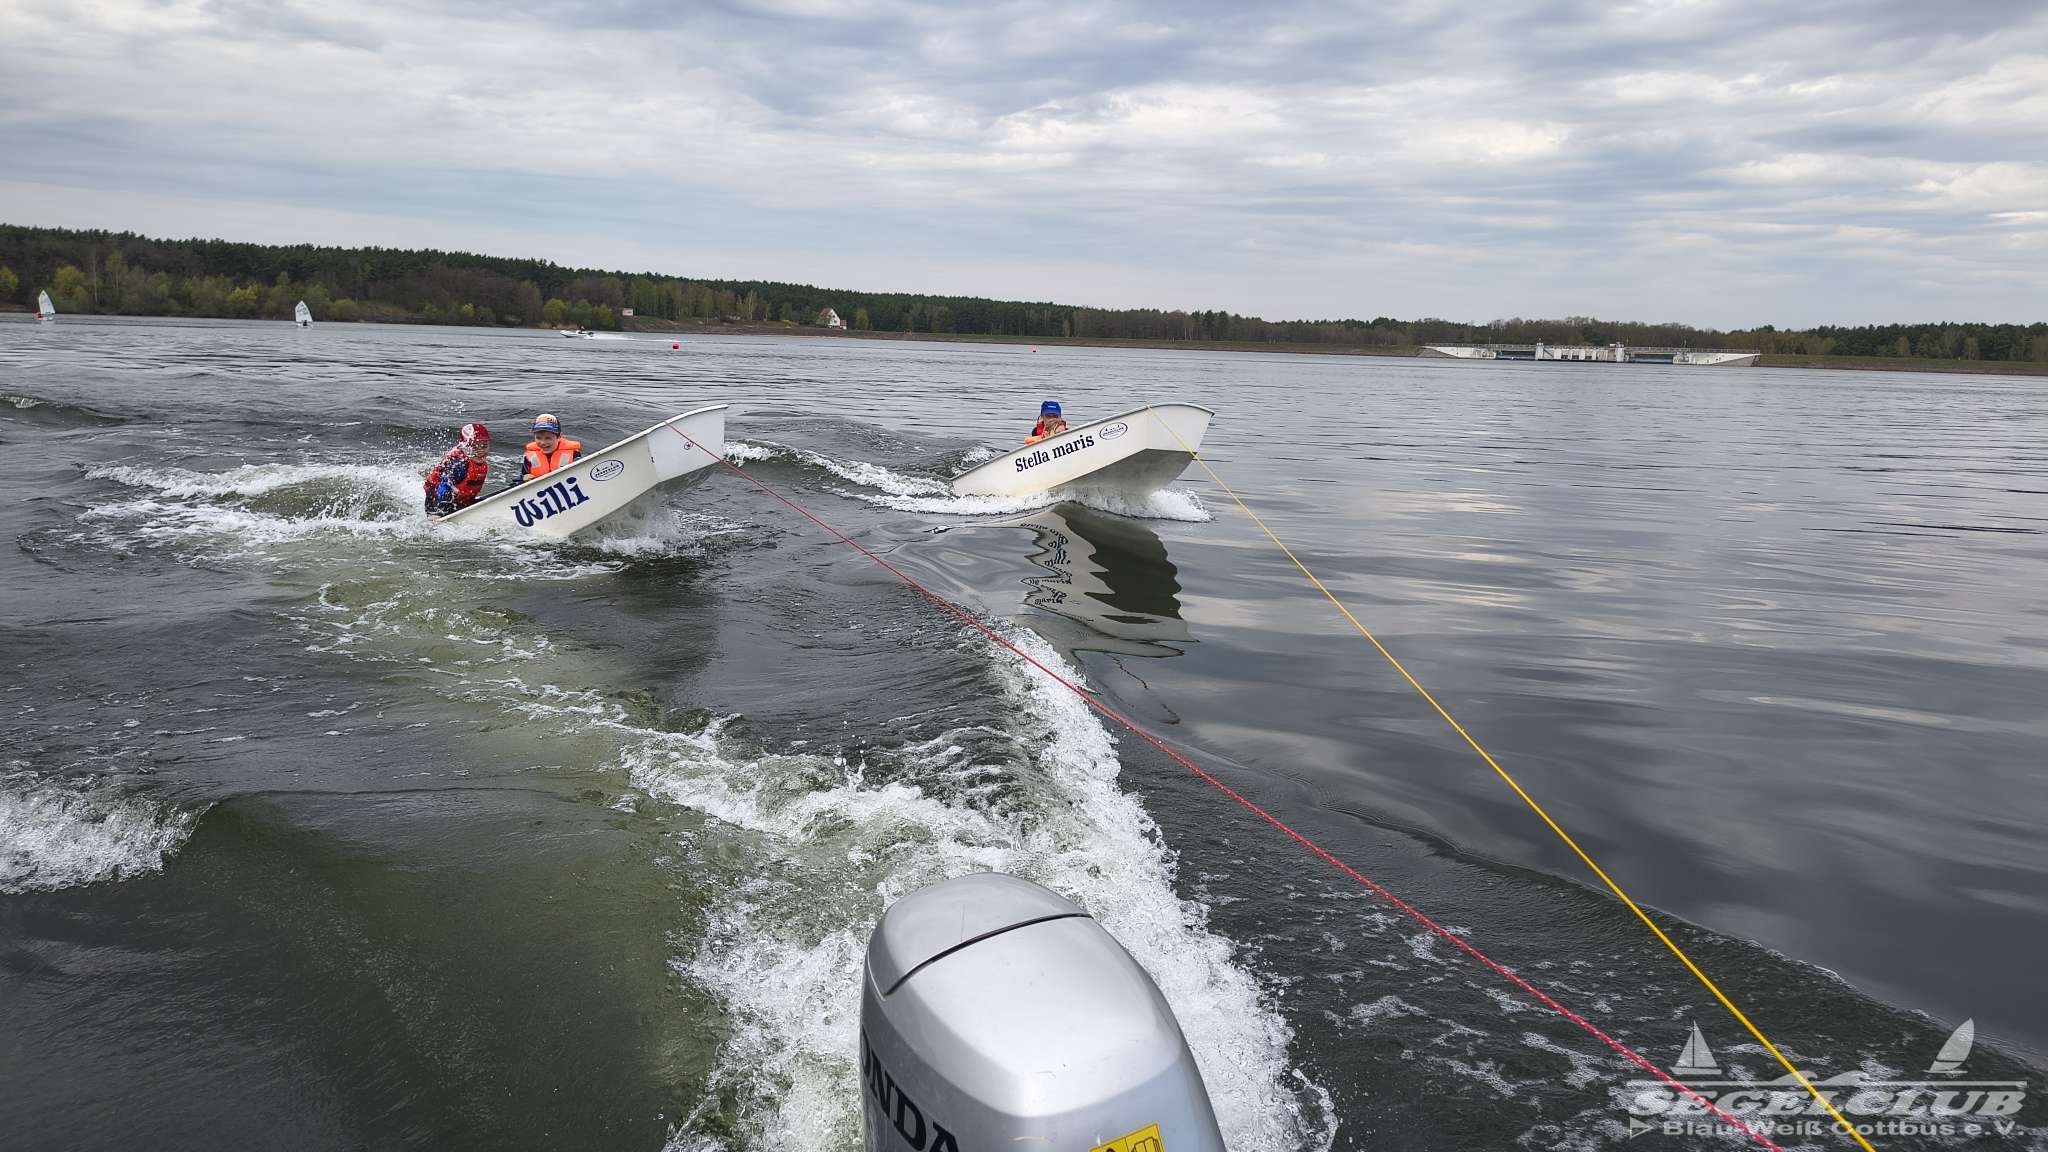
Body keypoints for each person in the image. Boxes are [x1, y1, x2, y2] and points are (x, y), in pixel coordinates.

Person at [425, 423, 492, 516]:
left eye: (484, 446)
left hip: (461, 502)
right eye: (474, 447)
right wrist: (440, 513)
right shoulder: (459, 464)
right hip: (436, 503)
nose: (480, 451)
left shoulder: (481, 463)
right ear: (463, 447)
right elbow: (444, 487)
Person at [515, 413, 583, 485]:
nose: (543, 442)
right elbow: (520, 479)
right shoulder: (529, 457)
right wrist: (524, 478)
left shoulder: (574, 455)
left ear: (559, 436)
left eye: (548, 438)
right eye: (538, 438)